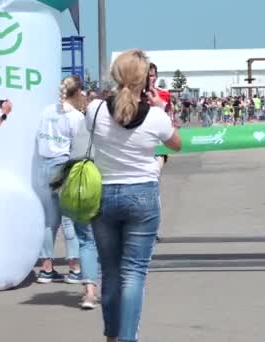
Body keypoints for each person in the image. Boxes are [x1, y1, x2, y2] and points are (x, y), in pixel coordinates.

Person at [87, 50, 182, 342]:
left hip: (102, 194)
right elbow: (176, 144)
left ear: (116, 75)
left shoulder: (95, 109)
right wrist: (161, 108)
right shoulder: (155, 117)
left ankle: (112, 336)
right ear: (145, 79)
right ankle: (128, 338)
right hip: (141, 194)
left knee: (111, 271)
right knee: (134, 273)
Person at [35, 76, 87, 285]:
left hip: (43, 166)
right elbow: (79, 147)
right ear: (77, 92)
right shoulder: (75, 117)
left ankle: (46, 268)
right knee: (69, 219)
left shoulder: (46, 112)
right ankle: (74, 268)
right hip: (62, 167)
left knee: (49, 220)